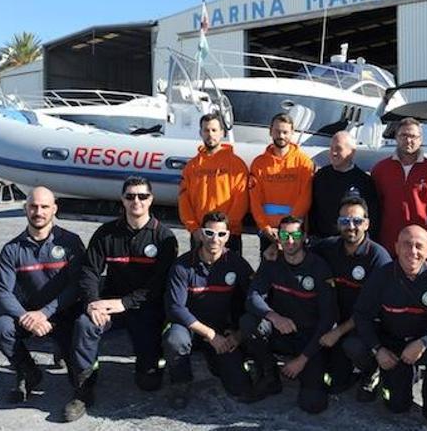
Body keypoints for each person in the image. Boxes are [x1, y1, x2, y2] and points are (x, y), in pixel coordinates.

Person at [64, 176, 178, 422]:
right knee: (85, 325)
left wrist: (125, 303)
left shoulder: (164, 237)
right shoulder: (106, 234)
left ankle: (149, 365)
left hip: (147, 309)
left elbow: (158, 285)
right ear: (122, 200)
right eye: (130, 196)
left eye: (142, 196)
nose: (136, 201)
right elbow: (90, 272)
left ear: (151, 200)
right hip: (109, 306)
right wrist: (92, 302)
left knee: (148, 383)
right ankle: (84, 386)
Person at [349, 224, 427, 430]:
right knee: (397, 406)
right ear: (396, 247)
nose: (413, 252)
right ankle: (375, 371)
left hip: (421, 343)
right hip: (390, 343)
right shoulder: (382, 275)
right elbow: (362, 315)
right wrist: (377, 349)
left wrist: (424, 343)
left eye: (419, 246)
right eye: (407, 245)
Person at [0, 186, 86, 403]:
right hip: (31, 314)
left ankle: (66, 354)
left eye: (44, 206)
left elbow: (77, 285)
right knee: (2, 328)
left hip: (65, 313)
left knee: (78, 380)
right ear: (26, 209)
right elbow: (2, 291)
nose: (38, 212)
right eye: (33, 206)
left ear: (54, 209)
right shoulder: (12, 249)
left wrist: (45, 312)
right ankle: (29, 372)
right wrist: (27, 317)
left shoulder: (71, 242)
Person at [239, 216, 336, 413]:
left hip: (310, 339)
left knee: (312, 404)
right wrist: (274, 316)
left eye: (295, 235)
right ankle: (270, 375)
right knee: (249, 323)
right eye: (284, 235)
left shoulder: (319, 267)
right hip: (281, 331)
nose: (290, 240)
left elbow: (328, 319)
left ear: (304, 237)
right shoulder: (272, 261)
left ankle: (308, 373)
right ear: (278, 238)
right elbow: (253, 297)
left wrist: (302, 359)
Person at [163, 211, 255, 409]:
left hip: (222, 330)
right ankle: (180, 382)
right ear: (201, 234)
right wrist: (210, 335)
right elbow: (175, 308)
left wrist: (238, 335)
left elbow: (254, 300)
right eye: (210, 233)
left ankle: (217, 362)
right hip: (190, 328)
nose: (215, 239)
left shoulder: (237, 264)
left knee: (239, 386)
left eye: (221, 234)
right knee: (174, 339)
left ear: (228, 236)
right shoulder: (182, 265)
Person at [311, 196, 392, 397]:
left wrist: (337, 332)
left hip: (367, 327)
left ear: (367, 223)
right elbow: (296, 252)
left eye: (357, 221)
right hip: (337, 323)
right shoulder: (328, 247)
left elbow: (371, 310)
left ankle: (371, 370)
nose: (351, 226)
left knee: (352, 346)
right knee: (336, 383)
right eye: (345, 221)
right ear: (338, 224)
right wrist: (274, 249)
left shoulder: (378, 257)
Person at [371, 118, 427, 257]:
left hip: (420, 246)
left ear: (420, 139)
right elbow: (375, 206)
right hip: (387, 244)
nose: (408, 140)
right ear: (396, 138)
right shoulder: (380, 169)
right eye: (403, 135)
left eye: (413, 136)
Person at [178, 113, 249, 252]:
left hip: (228, 234)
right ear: (201, 133)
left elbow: (241, 200)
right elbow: (184, 200)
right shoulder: (191, 167)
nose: (210, 134)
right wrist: (194, 229)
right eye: (206, 130)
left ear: (222, 133)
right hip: (200, 234)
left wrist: (224, 230)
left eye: (214, 130)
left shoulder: (236, 164)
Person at [249, 113, 314, 258]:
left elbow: (305, 198)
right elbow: (254, 200)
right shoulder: (259, 164)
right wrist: (265, 228)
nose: (281, 135)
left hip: (293, 233)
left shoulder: (304, 163)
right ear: (270, 131)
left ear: (292, 133)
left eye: (285, 132)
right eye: (277, 131)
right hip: (268, 232)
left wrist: (286, 230)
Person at [309, 131, 379, 240]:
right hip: (320, 244)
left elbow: (373, 218)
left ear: (352, 152)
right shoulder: (320, 176)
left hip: (350, 244)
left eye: (338, 149)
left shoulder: (364, 181)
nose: (334, 153)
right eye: (331, 148)